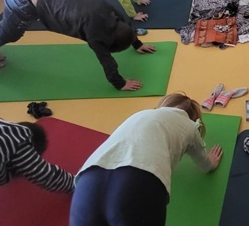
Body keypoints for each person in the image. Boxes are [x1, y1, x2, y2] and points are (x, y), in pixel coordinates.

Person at [0, 0, 156, 91]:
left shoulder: (108, 11)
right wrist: (120, 83)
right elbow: (106, 60)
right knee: (10, 34)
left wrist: (137, 43)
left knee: (6, 26)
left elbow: (127, 23)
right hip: (24, 3)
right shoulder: (95, 35)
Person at [70, 93, 223, 226]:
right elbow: (204, 164)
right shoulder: (190, 127)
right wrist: (211, 163)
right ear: (194, 118)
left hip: (88, 180)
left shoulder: (141, 114)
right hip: (137, 183)